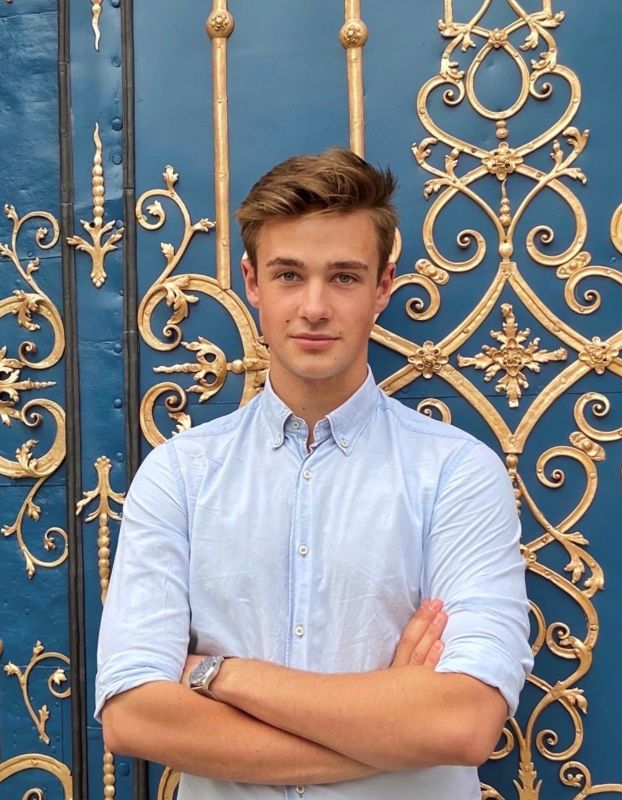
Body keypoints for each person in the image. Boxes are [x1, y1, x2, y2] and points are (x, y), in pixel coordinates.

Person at [96, 147, 533, 799]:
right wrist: (389, 728)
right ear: (253, 283)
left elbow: (463, 724)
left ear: (383, 287)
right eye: (289, 275)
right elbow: (133, 718)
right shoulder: (179, 477)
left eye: (345, 277)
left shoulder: (457, 474)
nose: (315, 307)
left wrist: (217, 674)